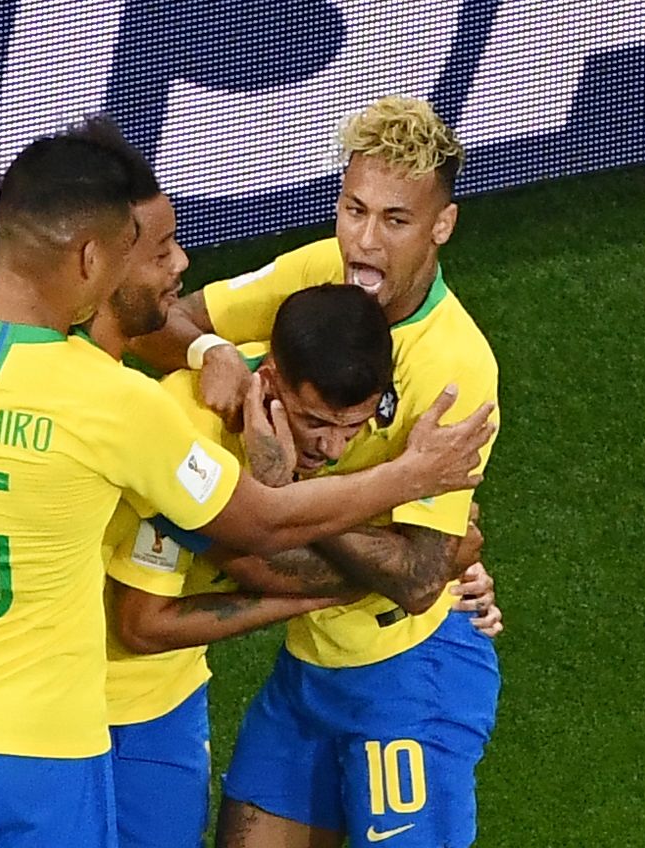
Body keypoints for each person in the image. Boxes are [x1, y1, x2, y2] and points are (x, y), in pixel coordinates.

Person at [0, 117, 495, 848]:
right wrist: (409, 479)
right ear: (93, 262)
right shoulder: (123, 409)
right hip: (34, 735)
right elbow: (256, 528)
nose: (180, 266)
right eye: (150, 251)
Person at [135, 96, 503, 848]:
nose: (364, 243)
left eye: (395, 220)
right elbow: (155, 323)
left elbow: (417, 578)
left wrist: (288, 491)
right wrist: (212, 354)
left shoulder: (455, 368)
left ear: (441, 226)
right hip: (309, 666)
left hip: (409, 673)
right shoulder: (323, 273)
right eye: (353, 209)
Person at [96, 284, 496, 848]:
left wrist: (297, 492)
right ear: (269, 382)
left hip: (412, 675)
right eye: (314, 422)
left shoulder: (394, 421)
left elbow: (425, 562)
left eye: (351, 428)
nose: (332, 448)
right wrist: (396, 573)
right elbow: (258, 563)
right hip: (300, 677)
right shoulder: (192, 429)